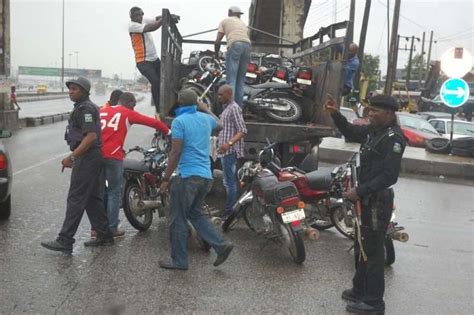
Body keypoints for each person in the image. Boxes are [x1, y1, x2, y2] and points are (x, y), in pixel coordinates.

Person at [325, 94, 406, 314]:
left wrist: (359, 190)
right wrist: (335, 114)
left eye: (375, 111)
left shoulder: (394, 139)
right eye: (369, 110)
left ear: (389, 114)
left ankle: (374, 302)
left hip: (377, 201)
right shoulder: (374, 131)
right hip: (365, 199)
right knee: (361, 246)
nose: (370, 114)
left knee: (373, 251)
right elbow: (351, 133)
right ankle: (359, 289)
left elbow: (389, 176)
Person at [158, 89, 233, 270]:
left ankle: (179, 260)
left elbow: (176, 152)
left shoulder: (179, 121)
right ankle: (221, 245)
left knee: (177, 218)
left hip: (187, 177)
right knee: (195, 214)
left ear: (179, 103)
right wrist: (205, 108)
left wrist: (166, 178)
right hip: (206, 177)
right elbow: (220, 125)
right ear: (196, 104)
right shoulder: (205, 118)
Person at [41, 77, 113, 253]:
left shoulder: (86, 109)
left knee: (76, 198)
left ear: (84, 92)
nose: (70, 92)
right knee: (92, 198)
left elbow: (90, 137)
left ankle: (65, 240)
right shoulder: (83, 107)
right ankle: (104, 235)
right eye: (70, 89)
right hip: (92, 157)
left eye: (74, 89)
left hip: (88, 157)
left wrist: (72, 157)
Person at [96, 92, 170, 238]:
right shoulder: (127, 113)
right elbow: (153, 122)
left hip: (96, 156)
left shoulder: (102, 111)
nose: (134, 108)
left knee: (99, 192)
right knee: (114, 192)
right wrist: (168, 131)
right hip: (113, 156)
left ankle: (97, 228)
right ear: (129, 103)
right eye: (134, 105)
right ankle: (112, 228)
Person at [128, 7, 179, 116]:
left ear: (142, 14)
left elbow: (156, 19)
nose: (138, 18)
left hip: (154, 60)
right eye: (135, 16)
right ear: (131, 18)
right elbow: (153, 27)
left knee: (167, 81)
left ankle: (171, 106)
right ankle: (159, 110)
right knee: (156, 82)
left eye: (140, 15)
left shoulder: (143, 20)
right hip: (143, 62)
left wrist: (170, 17)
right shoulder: (132, 26)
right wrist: (164, 18)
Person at [216, 85, 247, 219]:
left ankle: (230, 212)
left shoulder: (234, 108)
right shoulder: (226, 108)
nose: (219, 97)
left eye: (221, 95)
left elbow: (242, 130)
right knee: (227, 181)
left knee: (230, 182)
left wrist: (228, 144)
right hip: (224, 151)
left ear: (229, 94)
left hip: (230, 152)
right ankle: (230, 209)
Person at [214, 6, 251, 107]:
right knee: (240, 81)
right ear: (238, 14)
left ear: (229, 12)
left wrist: (216, 54)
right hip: (247, 46)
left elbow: (218, 41)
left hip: (235, 44)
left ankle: (229, 108)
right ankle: (238, 109)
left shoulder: (225, 21)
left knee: (231, 79)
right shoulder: (243, 24)